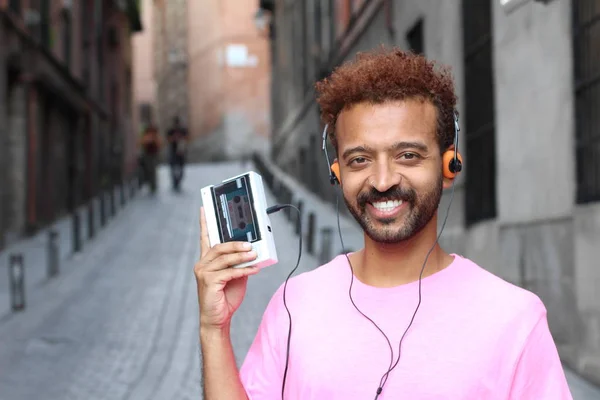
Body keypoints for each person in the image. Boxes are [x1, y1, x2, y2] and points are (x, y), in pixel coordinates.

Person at [194, 48, 573, 399]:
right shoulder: (293, 305)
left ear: (448, 166)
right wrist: (215, 330)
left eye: (407, 155)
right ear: (337, 173)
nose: (382, 180)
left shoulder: (514, 318)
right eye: (360, 160)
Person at [166, 116, 188, 191]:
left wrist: (181, 138)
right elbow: (168, 139)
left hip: (181, 152)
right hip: (173, 152)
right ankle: (175, 182)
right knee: (173, 169)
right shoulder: (171, 131)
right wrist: (174, 138)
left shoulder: (183, 130)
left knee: (181, 169)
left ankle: (178, 181)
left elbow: (187, 138)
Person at [139, 122, 161, 194]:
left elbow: (159, 144)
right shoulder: (145, 136)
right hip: (147, 155)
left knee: (153, 170)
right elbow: (142, 143)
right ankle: (151, 184)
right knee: (149, 170)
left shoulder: (155, 136)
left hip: (153, 155)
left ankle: (153, 185)